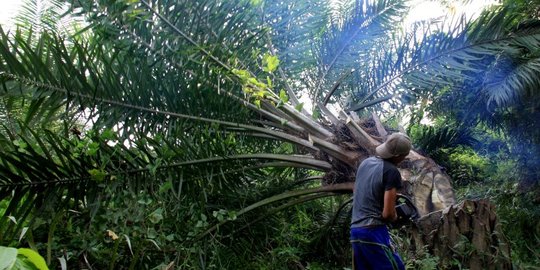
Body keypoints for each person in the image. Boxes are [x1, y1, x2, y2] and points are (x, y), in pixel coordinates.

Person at [350, 132, 412, 270]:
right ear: (399, 156)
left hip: (355, 232)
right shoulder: (391, 171)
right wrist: (397, 216)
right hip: (373, 232)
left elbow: (356, 191)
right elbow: (388, 214)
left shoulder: (365, 163)